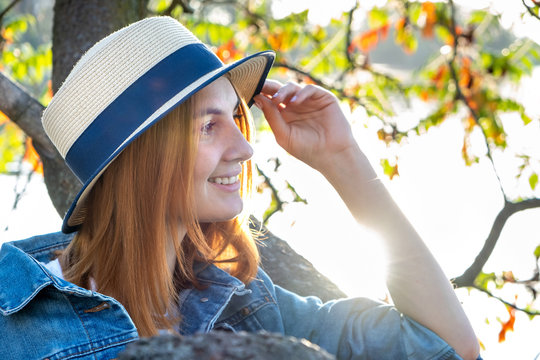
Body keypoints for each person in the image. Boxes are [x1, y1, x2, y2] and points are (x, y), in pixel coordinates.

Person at [0, 16, 481, 360]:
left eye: (235, 116)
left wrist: (344, 161)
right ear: (142, 160)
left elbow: (445, 347)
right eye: (209, 127)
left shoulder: (247, 304)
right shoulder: (13, 317)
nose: (245, 149)